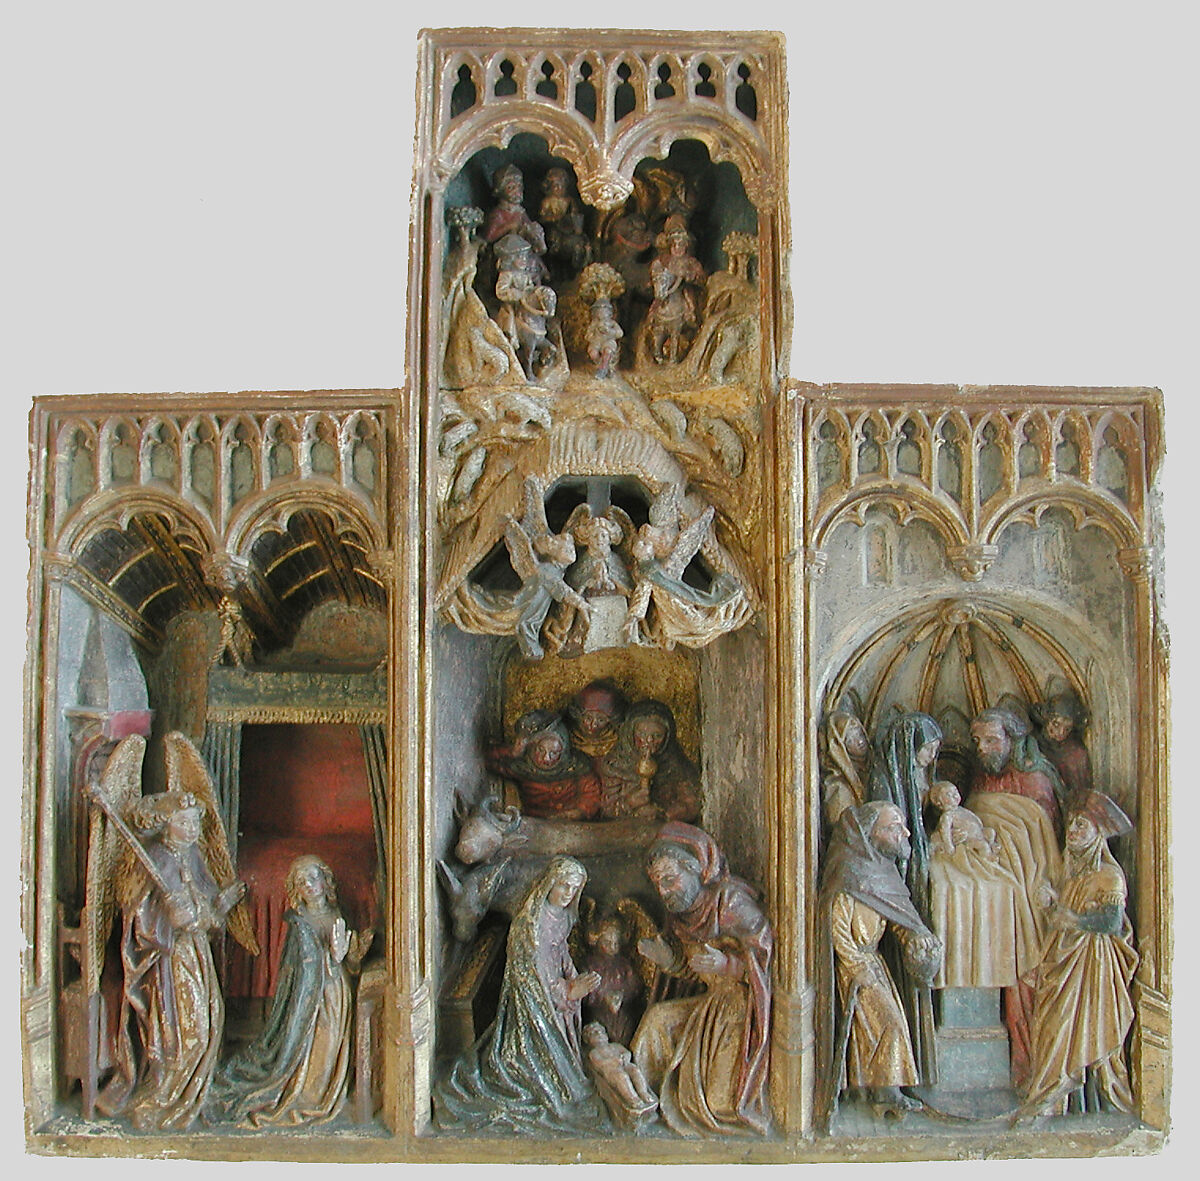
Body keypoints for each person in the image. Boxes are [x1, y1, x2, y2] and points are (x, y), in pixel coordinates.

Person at [98, 791, 246, 1130]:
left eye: (194, 822)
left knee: (211, 1020)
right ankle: (165, 1096)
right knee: (189, 1030)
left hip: (197, 951)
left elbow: (205, 907)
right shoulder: (155, 859)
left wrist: (218, 906)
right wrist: (167, 918)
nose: (192, 829)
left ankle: (195, 1092)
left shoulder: (192, 854)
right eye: (183, 822)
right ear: (165, 825)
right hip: (169, 959)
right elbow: (135, 915)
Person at [435, 857, 609, 1135]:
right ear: (549, 884)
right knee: (552, 1071)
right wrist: (567, 990)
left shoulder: (563, 916)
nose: (568, 893)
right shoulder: (530, 925)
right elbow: (532, 975)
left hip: (556, 990)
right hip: (534, 1004)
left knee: (568, 1058)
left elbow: (561, 951)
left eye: (574, 888)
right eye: (563, 885)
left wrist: (573, 975)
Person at [206, 855, 372, 1127]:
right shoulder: (298, 922)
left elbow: (350, 963)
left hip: (334, 993)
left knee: (329, 1044)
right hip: (306, 997)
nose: (309, 885)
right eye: (301, 882)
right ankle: (304, 1091)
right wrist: (328, 958)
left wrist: (350, 953)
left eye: (313, 878)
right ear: (296, 890)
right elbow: (293, 969)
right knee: (305, 1046)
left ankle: (319, 1091)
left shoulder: (338, 915)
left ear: (325, 880)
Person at [631, 822, 773, 1136]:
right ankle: (640, 1101)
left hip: (743, 1009)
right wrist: (669, 960)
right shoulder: (680, 917)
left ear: (696, 868)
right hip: (711, 1004)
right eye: (658, 884)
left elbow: (770, 958)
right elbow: (695, 972)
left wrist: (730, 965)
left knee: (720, 1103)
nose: (663, 892)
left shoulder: (729, 903)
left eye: (670, 880)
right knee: (657, 1021)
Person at [815, 802, 943, 1127]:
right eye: (893, 827)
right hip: (854, 969)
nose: (905, 833)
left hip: (875, 962)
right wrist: (857, 965)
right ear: (868, 834)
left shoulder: (883, 871)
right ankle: (884, 1093)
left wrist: (915, 936)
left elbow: (896, 915)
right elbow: (837, 927)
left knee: (875, 1030)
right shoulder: (848, 873)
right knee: (887, 1025)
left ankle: (880, 1091)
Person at [1020, 791, 1138, 1119]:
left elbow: (1111, 923)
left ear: (1098, 833)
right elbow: (1063, 915)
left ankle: (1057, 1096)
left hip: (1092, 963)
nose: (1072, 830)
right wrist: (1051, 904)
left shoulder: (1108, 875)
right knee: (1050, 1024)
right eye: (1072, 823)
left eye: (1081, 825)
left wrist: (1071, 919)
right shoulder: (1073, 872)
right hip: (1063, 957)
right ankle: (1052, 1096)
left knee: (1074, 1024)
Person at [966, 707, 1065, 1089]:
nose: (983, 748)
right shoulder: (981, 778)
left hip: (1026, 889)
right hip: (992, 888)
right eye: (978, 741)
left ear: (1013, 740)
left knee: (1025, 973)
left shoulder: (1035, 781)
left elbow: (1042, 843)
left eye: (992, 740)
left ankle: (1031, 1063)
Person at [867, 712, 942, 1084]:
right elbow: (886, 840)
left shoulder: (920, 775)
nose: (930, 757)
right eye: (927, 749)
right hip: (896, 875)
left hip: (917, 863)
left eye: (934, 751)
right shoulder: (884, 779)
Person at [926, 781, 1021, 990]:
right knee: (958, 887)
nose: (954, 797)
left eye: (955, 792)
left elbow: (977, 825)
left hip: (977, 843)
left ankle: (989, 855)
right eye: (948, 795)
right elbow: (945, 835)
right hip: (964, 852)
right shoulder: (947, 817)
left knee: (1001, 884)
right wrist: (950, 847)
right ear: (939, 803)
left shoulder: (965, 813)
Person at [598, 700, 701, 822]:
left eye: (657, 736)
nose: (649, 741)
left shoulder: (676, 765)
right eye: (642, 734)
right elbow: (606, 808)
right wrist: (629, 803)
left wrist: (664, 814)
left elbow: (692, 803)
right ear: (630, 733)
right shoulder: (615, 765)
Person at [486, 712, 602, 819]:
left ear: (563, 752)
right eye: (541, 750)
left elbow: (591, 792)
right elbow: (487, 760)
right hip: (535, 823)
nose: (546, 758)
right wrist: (512, 752)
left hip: (568, 822)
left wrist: (580, 811)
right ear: (532, 748)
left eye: (554, 753)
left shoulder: (576, 767)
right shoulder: (523, 767)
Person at [582, 1022, 658, 1129]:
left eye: (601, 1032)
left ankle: (643, 1092)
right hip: (611, 1072)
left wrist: (625, 1057)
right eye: (594, 1033)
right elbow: (599, 1063)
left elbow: (626, 1053)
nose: (599, 1034)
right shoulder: (595, 1052)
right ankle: (633, 1098)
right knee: (622, 1076)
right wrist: (614, 1061)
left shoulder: (615, 1046)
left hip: (624, 1065)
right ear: (588, 1040)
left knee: (634, 1070)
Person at [1031, 687, 1094, 801]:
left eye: (1067, 729)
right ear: (1046, 718)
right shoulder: (1031, 742)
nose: (1060, 733)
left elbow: (1082, 792)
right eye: (1056, 724)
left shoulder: (1075, 753)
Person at [818, 705, 871, 831]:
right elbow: (842, 830)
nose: (860, 742)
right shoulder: (838, 788)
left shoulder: (870, 769)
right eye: (850, 739)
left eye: (859, 734)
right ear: (839, 747)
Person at [565, 680, 628, 771]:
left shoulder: (617, 741)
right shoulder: (569, 738)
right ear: (579, 715)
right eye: (588, 718)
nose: (593, 725)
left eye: (601, 720)